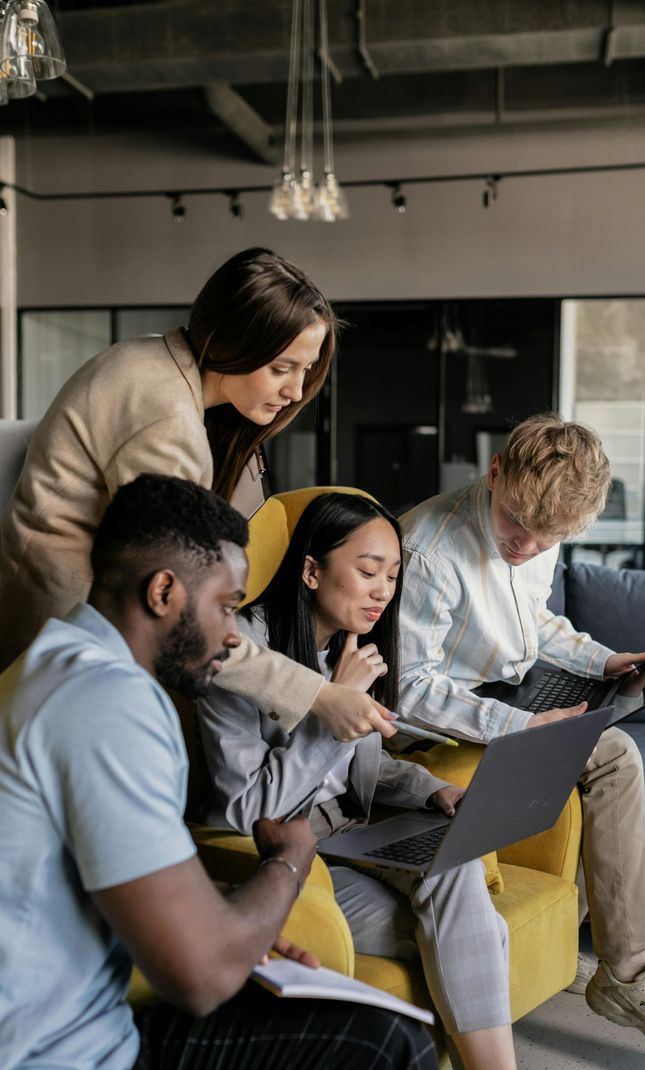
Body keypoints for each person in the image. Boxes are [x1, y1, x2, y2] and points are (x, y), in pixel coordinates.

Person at [0, 474, 437, 1070]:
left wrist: (227, 912)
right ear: (163, 592)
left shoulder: (52, 662)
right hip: (65, 1050)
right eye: (225, 607)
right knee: (385, 1044)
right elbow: (201, 979)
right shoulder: (108, 705)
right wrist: (288, 863)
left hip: (86, 1020)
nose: (233, 638)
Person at [397, 412, 645, 1060]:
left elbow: (533, 621)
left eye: (548, 540)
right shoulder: (426, 549)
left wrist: (601, 661)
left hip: (509, 697)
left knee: (609, 726)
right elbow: (408, 690)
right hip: (437, 727)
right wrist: (521, 724)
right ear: (493, 474)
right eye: (517, 524)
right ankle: (627, 974)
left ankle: (614, 963)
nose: (527, 546)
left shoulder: (539, 534)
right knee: (614, 753)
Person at [0, 247, 394, 744]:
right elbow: (184, 607)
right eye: (280, 368)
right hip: (68, 638)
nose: (296, 391)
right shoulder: (167, 421)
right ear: (230, 342)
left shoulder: (153, 360)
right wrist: (320, 694)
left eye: (305, 369)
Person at [197, 492, 518, 1070]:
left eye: (392, 576)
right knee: (480, 932)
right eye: (368, 571)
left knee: (457, 865)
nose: (383, 591)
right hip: (295, 859)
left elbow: (366, 768)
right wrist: (333, 712)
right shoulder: (243, 655)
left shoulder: (350, 648)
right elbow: (247, 813)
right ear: (312, 570)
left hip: (354, 836)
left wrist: (429, 789)